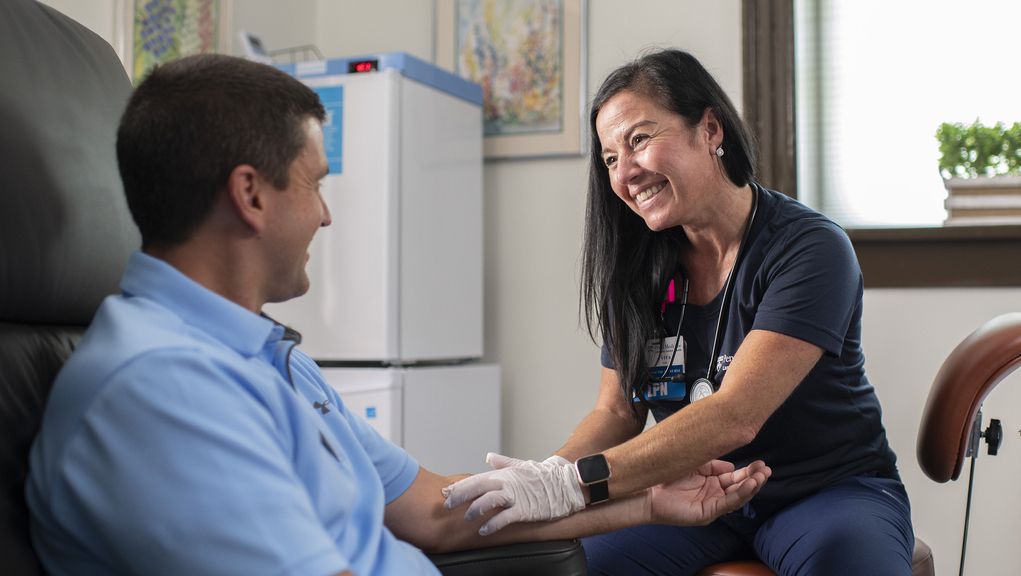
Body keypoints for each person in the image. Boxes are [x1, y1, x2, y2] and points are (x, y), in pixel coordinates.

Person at [24, 53, 770, 576]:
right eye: (314, 185)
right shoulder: (157, 395)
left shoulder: (270, 359)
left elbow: (437, 513)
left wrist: (645, 507)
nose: (324, 217)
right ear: (250, 196)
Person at [443, 49, 915, 575]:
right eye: (609, 158)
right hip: (693, 495)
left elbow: (736, 414)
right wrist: (552, 472)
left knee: (842, 560)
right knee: (574, 565)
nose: (626, 172)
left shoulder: (809, 249)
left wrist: (573, 485)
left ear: (710, 129)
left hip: (827, 492)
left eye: (638, 140)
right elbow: (617, 413)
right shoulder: (640, 271)